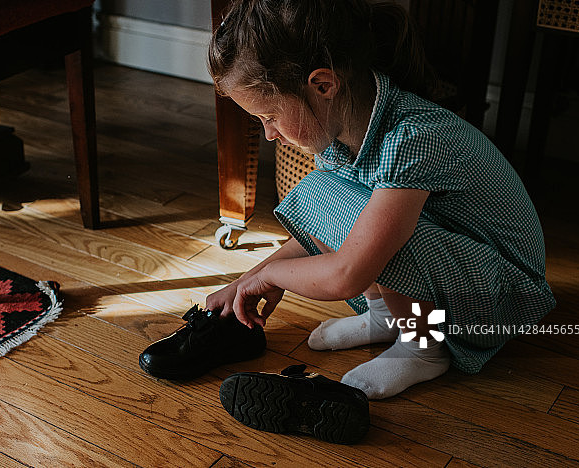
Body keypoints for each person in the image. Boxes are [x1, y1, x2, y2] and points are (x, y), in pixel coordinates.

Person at [203, 0, 556, 401]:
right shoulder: (342, 126)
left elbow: (348, 273)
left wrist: (271, 279)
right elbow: (324, 222)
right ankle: (389, 316)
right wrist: (248, 280)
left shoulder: (412, 137)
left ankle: (423, 346)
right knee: (323, 197)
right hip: (460, 268)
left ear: (323, 86)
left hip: (499, 298)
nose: (269, 134)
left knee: (345, 213)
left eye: (269, 116)